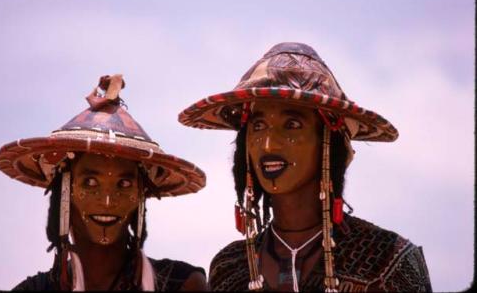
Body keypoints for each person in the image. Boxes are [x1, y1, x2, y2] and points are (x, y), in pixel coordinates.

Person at [178, 42, 432, 292]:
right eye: (257, 126)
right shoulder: (230, 268)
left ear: (328, 144)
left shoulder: (388, 259)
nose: (268, 145)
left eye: (292, 125)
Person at [0, 74, 209, 291]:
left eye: (124, 184)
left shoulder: (183, 285)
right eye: (90, 182)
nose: (107, 201)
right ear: (65, 188)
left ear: (140, 194)